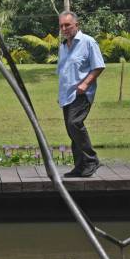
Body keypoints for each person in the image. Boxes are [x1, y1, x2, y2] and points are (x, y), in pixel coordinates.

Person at [57, 11, 105, 178]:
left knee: (75, 123)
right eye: (62, 25)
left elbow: (98, 66)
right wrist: (61, 94)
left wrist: (85, 84)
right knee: (72, 131)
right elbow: (63, 72)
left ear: (76, 25)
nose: (64, 28)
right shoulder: (63, 46)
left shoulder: (88, 42)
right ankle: (80, 167)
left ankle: (92, 160)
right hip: (67, 95)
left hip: (82, 93)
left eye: (67, 25)